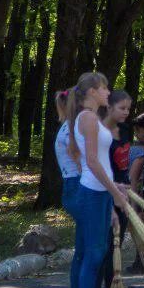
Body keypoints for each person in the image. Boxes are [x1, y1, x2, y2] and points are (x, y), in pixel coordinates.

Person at [67, 72, 130, 288]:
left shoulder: (90, 118)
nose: (108, 92)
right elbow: (91, 161)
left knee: (92, 252)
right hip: (92, 194)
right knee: (93, 253)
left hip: (99, 192)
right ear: (93, 91)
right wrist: (114, 192)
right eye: (104, 88)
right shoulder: (89, 118)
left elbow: (98, 161)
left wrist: (113, 186)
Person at [97, 90, 133, 288]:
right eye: (122, 108)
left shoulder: (126, 131)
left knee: (118, 243)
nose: (126, 113)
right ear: (109, 107)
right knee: (107, 246)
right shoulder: (99, 132)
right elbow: (99, 166)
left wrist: (127, 190)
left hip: (123, 192)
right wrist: (112, 192)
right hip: (106, 192)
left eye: (128, 109)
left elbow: (123, 165)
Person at [53, 89, 82, 219]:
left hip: (72, 183)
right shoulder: (72, 128)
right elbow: (78, 159)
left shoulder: (68, 126)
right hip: (77, 183)